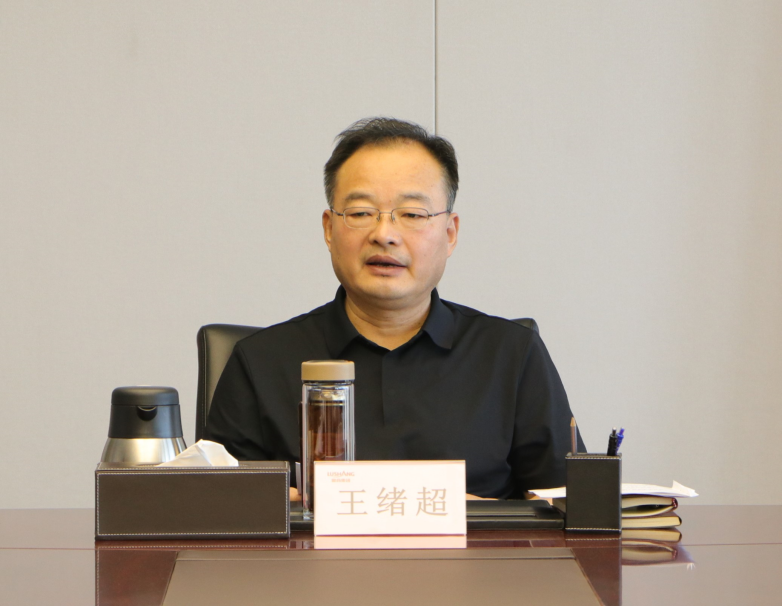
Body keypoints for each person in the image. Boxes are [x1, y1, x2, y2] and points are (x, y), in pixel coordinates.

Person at [205, 118, 584, 498]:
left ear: (450, 233)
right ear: (329, 229)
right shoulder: (259, 363)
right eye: (360, 213)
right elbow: (214, 510)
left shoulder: (512, 356)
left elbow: (573, 508)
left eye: (413, 214)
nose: (384, 234)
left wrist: (471, 514)